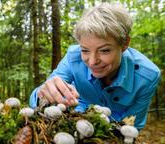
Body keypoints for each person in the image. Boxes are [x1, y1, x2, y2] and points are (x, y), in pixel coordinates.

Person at [29, 2, 160, 130]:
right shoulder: (72, 57)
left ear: (125, 43)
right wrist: (44, 95)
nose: (92, 62)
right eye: (85, 50)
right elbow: (42, 94)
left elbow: (132, 123)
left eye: (104, 50)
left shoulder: (148, 76)